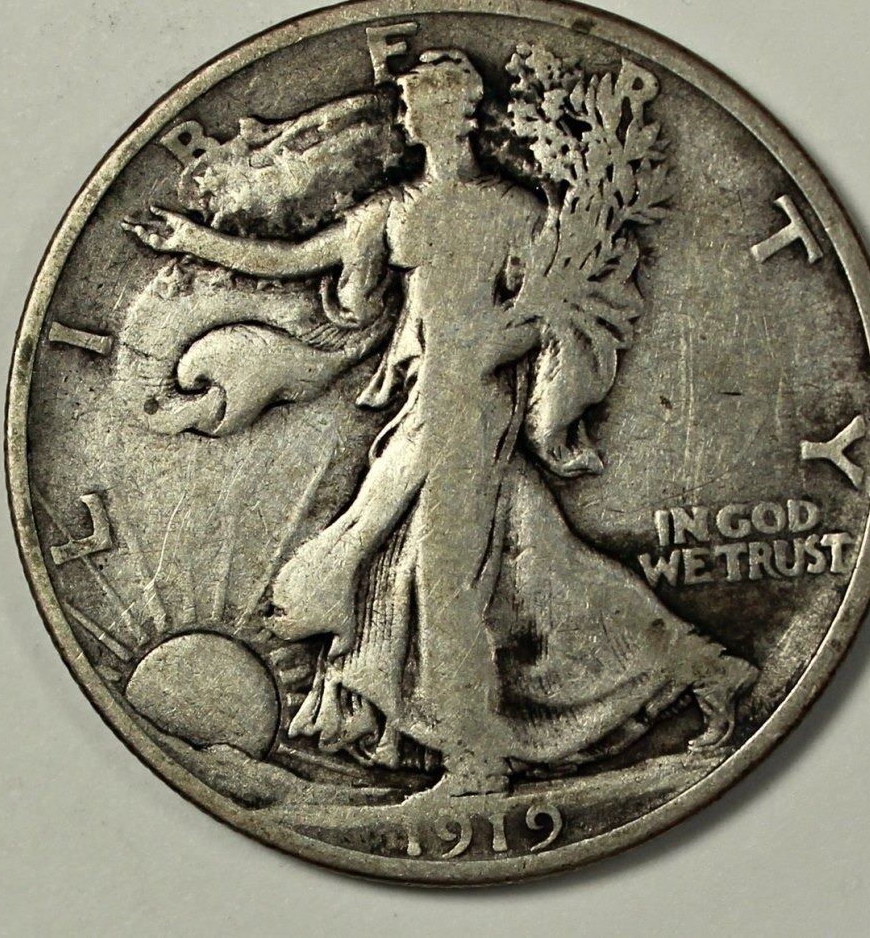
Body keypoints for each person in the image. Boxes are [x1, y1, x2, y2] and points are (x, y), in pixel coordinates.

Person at [125, 48, 757, 796]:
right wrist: (193, 242)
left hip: (475, 407)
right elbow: (298, 259)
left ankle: (477, 760)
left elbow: (556, 313)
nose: (408, 115)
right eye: (409, 104)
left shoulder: (519, 213)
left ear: (454, 115)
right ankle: (708, 669)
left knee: (443, 579)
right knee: (539, 564)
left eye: (419, 104)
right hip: (429, 402)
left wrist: (498, 342)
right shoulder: (396, 211)